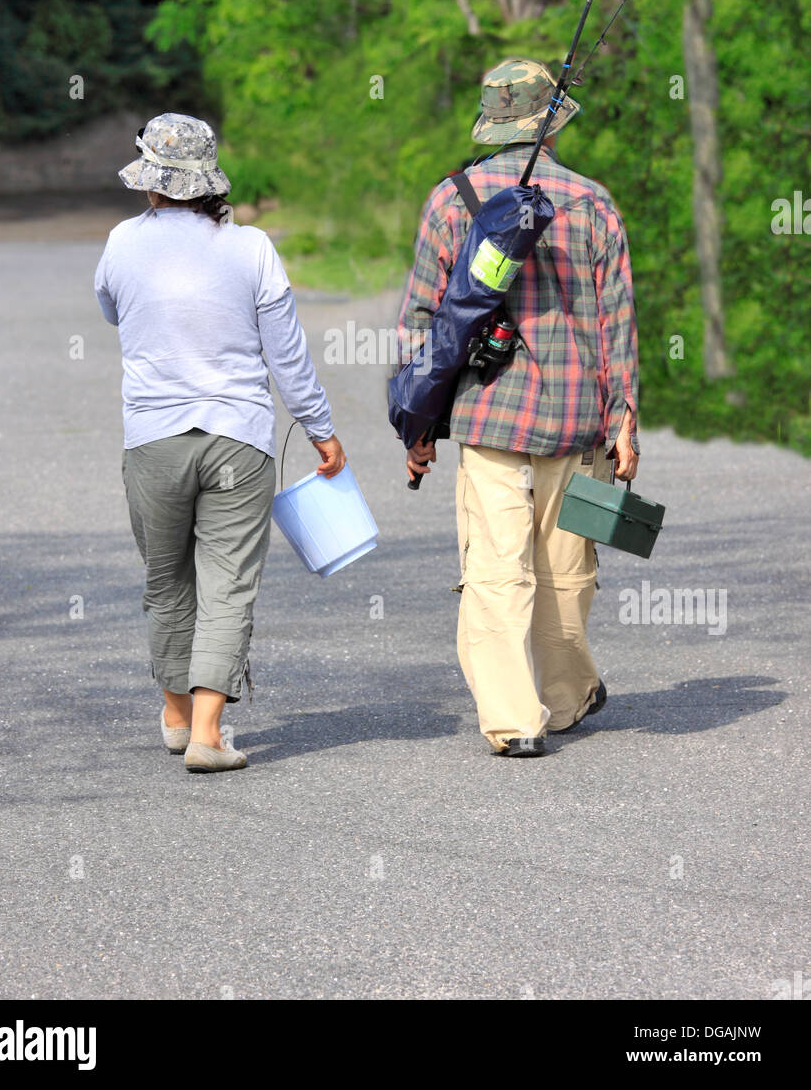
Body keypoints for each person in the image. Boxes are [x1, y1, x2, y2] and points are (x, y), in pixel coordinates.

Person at [398, 60, 640, 758]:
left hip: (486, 416)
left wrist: (419, 426)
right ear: (551, 121)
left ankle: (513, 722)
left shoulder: (451, 199)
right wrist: (625, 421)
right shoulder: (592, 202)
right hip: (576, 417)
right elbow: (616, 325)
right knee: (567, 567)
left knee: (497, 569)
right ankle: (565, 702)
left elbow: (424, 323)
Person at [94, 113, 345, 773]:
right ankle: (207, 732)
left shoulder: (122, 242)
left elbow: (112, 309)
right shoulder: (252, 247)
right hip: (238, 440)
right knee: (228, 584)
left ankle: (176, 715)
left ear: (151, 179)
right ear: (208, 181)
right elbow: (287, 356)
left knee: (166, 579)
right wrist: (322, 432)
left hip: (153, 441)